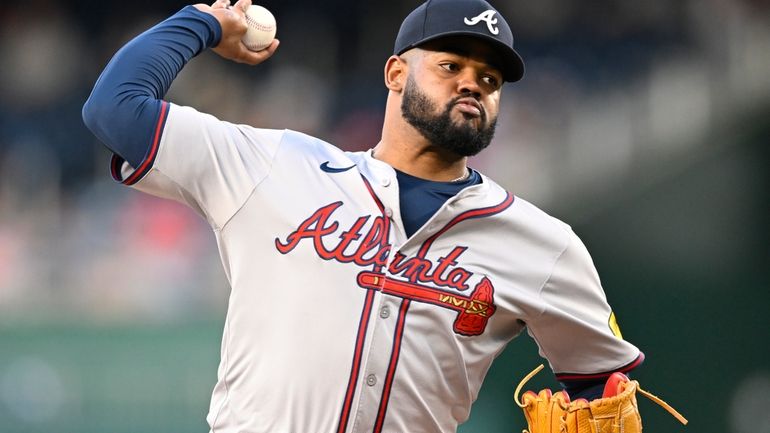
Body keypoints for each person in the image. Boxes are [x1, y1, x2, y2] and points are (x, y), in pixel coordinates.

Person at [82, 0, 645, 432]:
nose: (472, 82)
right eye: (450, 65)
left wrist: (596, 401)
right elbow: (114, 107)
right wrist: (201, 22)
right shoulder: (275, 165)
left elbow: (602, 385)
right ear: (396, 73)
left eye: (490, 79)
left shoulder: (543, 245)